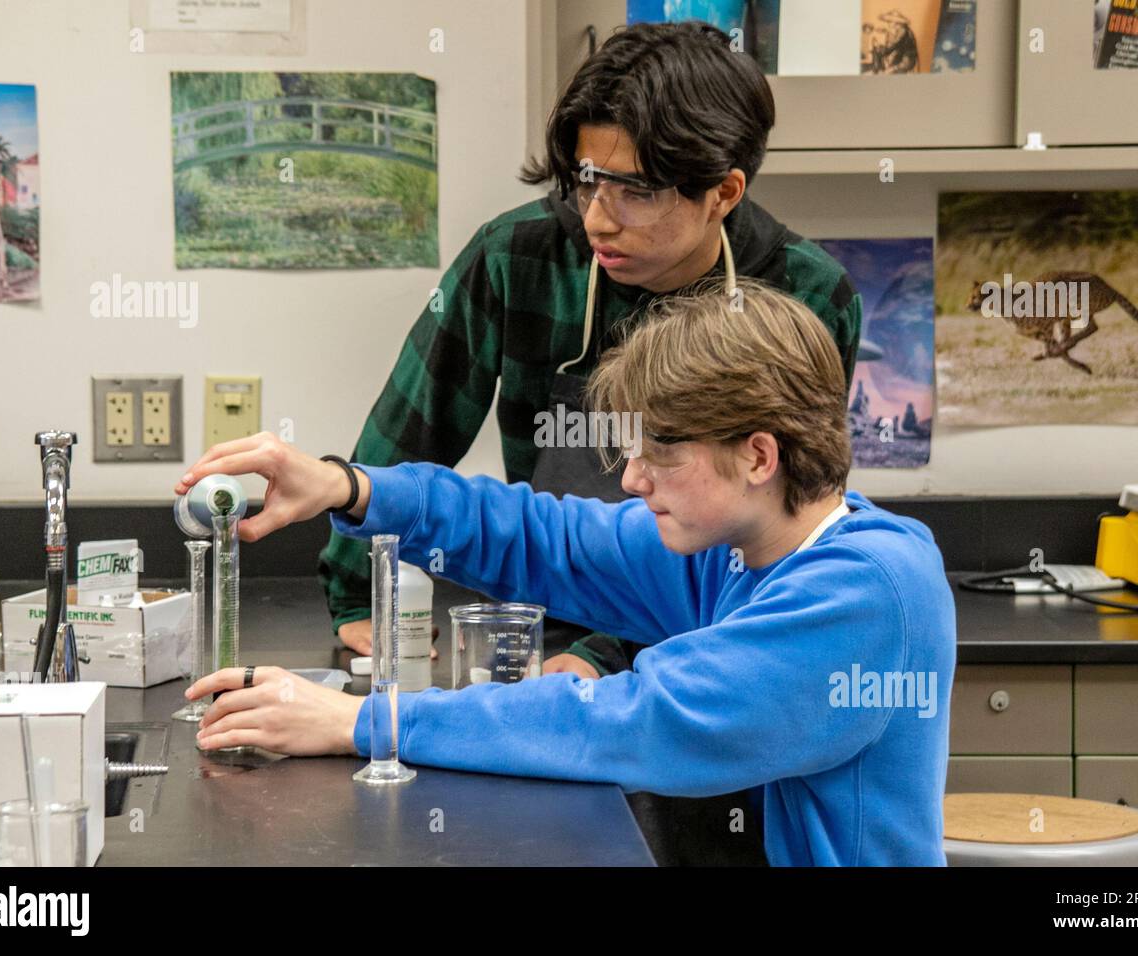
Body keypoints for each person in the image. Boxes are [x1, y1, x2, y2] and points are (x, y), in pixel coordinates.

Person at [178, 282, 956, 867]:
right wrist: (353, 488)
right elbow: (548, 538)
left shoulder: (867, 590)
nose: (631, 480)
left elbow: (633, 719)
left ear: (758, 455)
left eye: (662, 455)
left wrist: (362, 721)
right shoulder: (742, 546)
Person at [317, 20, 862, 683]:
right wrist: (357, 589)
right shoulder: (517, 258)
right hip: (540, 621)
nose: (600, 218)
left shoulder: (804, 296)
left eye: (636, 192)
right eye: (586, 181)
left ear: (723, 192)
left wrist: (609, 653)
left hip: (712, 636)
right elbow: (413, 428)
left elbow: (781, 527)